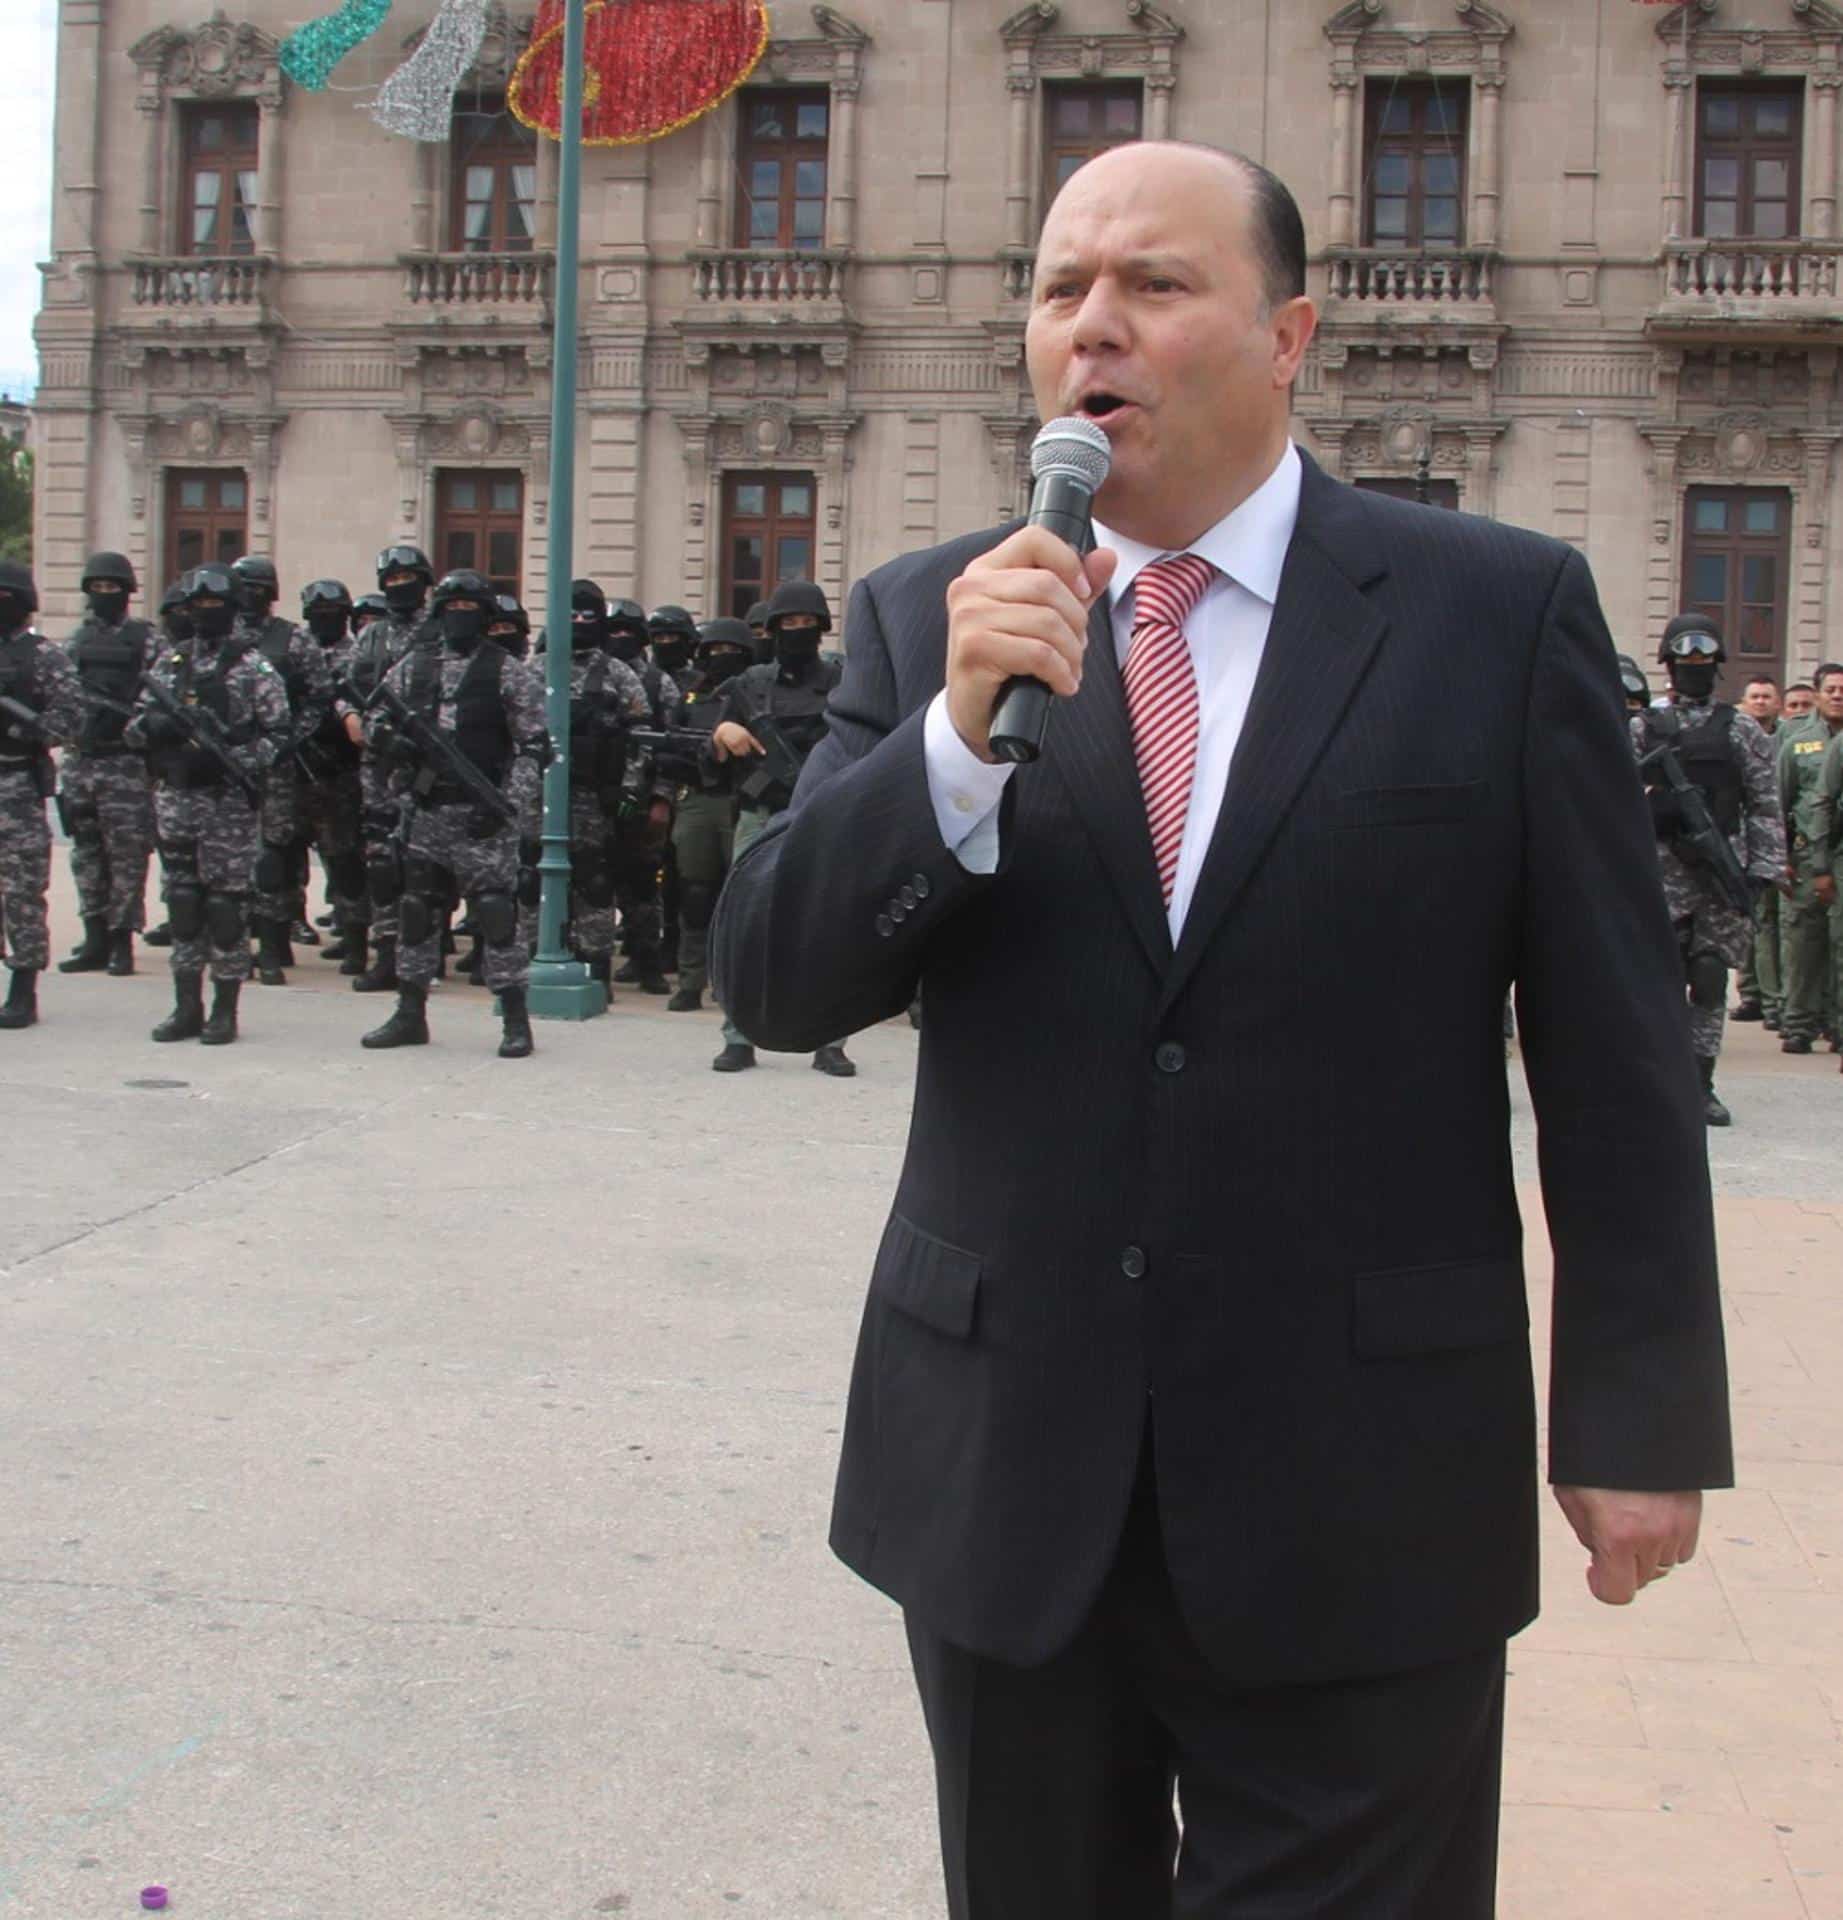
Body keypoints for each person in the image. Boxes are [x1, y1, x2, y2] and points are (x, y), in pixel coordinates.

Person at [711, 142, 1732, 1920]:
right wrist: (946, 747)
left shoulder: (1492, 614)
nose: (1091, 329)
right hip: (1011, 1478)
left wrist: (1634, 1410)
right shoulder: (924, 619)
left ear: (1287, 337)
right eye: (1056, 291)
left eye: (1152, 286)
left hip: (1364, 1485)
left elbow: (1611, 1046)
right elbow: (777, 982)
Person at [358, 569, 548, 1058]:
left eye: (471, 610)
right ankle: (409, 1012)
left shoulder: (506, 670)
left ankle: (514, 1019)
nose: (461, 617)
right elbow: (373, 717)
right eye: (453, 609)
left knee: (496, 914)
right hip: (426, 813)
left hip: (482, 818)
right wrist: (390, 743)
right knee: (417, 911)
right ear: (439, 614)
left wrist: (507, 806)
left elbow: (534, 745)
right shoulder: (413, 667)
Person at [125, 565, 289, 1045]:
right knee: (183, 903)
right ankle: (185, 1006)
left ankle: (225, 1009)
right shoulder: (170, 665)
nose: (206, 615)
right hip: (177, 799)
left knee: (225, 907)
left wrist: (237, 758)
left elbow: (279, 735)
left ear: (235, 610)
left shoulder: (254, 668)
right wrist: (154, 729)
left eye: (216, 606)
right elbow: (133, 726)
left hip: (227, 804)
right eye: (198, 607)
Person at [1633, 617, 1783, 1124]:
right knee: (1659, 979)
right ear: (1669, 666)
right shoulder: (1640, 728)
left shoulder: (1739, 728)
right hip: (1658, 871)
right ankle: (1659, 1080)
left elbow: (1764, 803)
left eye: (1703, 663)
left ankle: (1700, 1081)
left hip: (1720, 870)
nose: (1693, 671)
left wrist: (1762, 868)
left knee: (1712, 976)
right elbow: (1610, 803)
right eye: (1684, 662)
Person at [712, 578, 853, 1076]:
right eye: (788, 624)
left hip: (821, 812)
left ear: (821, 628)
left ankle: (830, 1039)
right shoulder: (750, 684)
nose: (797, 632)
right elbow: (713, 738)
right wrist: (723, 731)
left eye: (806, 624)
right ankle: (737, 1034)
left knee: (826, 925)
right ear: (772, 629)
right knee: (745, 921)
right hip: (760, 812)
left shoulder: (840, 680)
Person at [232, 555, 334, 985]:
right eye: (243, 588)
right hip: (227, 770)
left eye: (257, 588)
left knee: (274, 858)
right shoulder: (221, 639)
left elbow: (319, 696)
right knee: (230, 862)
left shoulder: (292, 640)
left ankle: (273, 948)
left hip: (275, 766)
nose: (250, 597)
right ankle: (233, 947)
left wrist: (291, 737)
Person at [57, 551, 159, 978]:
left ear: (127, 593)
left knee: (127, 857)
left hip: (125, 765)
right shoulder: (76, 641)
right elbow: (59, 695)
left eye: (111, 588)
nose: (103, 595)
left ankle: (121, 941)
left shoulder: (146, 640)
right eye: (96, 589)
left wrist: (132, 722)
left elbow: (162, 696)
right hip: (82, 761)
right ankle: (94, 935)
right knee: (86, 853)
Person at [344, 544, 436, 992]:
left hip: (426, 762)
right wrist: (349, 717)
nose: (401, 588)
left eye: (408, 580)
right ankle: (386, 953)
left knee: (425, 862)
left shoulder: (440, 632)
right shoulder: (371, 636)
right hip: (378, 763)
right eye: (392, 582)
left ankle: (423, 953)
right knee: (382, 861)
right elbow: (346, 685)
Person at [0, 561, 84, 1029]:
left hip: (16, 782)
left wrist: (19, 727)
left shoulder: (44, 657)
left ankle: (22, 990)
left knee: (21, 893)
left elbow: (71, 719)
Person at [558, 580, 651, 988]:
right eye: (572, 615)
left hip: (593, 799)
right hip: (542, 800)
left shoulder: (618, 674)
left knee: (595, 883)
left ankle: (596, 968)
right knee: (531, 882)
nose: (579, 623)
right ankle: (539, 956)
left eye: (587, 616)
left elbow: (642, 737)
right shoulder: (535, 670)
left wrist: (628, 788)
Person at [666, 617, 754, 1013]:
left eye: (731, 652)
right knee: (696, 894)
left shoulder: (758, 693)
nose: (722, 658)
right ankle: (690, 980)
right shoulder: (689, 699)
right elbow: (668, 748)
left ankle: (733, 980)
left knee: (742, 897)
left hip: (745, 799)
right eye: (715, 651)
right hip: (699, 799)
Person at [295, 579, 369, 973]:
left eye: (334, 613)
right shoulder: (296, 649)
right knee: (281, 855)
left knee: (345, 859)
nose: (326, 619)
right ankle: (282, 932)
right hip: (295, 767)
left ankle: (354, 935)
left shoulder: (358, 653)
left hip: (342, 771)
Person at [1777, 661, 1843, 1056]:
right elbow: (1778, 802)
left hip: (1838, 854)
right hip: (1803, 857)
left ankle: (1836, 1023)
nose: (1838, 695)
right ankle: (1798, 1023)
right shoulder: (1797, 742)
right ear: (1817, 694)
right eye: (1831, 689)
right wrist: (1779, 855)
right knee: (1804, 943)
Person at [1731, 674, 1785, 1027]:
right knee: (1754, 924)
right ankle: (1752, 992)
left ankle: (1772, 1000)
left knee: (1770, 927)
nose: (1762, 702)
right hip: (1736, 843)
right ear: (1744, 702)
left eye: (1768, 696)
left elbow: (1772, 803)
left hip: (1768, 841)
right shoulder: (1733, 735)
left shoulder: (1788, 740)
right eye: (1755, 696)